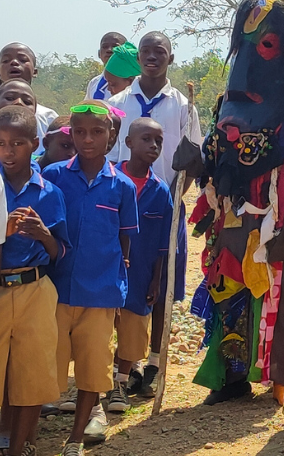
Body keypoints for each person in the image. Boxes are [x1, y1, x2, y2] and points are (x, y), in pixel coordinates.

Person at [190, 0, 284, 406]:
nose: (248, 66)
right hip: (232, 222)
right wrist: (196, 161)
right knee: (230, 294)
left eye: (266, 46)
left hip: (280, 222)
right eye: (245, 47)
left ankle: (282, 376)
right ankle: (230, 378)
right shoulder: (225, 110)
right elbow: (213, 167)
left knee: (283, 301)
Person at [108, 31, 201, 397]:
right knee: (122, 284)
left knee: (161, 287)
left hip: (162, 206)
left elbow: (193, 161)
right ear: (138, 58)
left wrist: (174, 201)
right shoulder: (116, 101)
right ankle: (120, 367)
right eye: (145, 51)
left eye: (159, 52)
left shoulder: (182, 107)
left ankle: (154, 363)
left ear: (170, 58)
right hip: (119, 206)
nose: (151, 57)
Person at [42, 100, 138, 455]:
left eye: (97, 132)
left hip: (101, 292)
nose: (87, 139)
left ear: (112, 137)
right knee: (46, 365)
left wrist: (119, 274)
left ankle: (75, 439)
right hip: (56, 290)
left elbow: (125, 235)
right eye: (79, 132)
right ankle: (29, 436)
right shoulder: (53, 177)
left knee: (92, 367)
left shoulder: (122, 186)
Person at [0, 106, 69, 456]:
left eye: (17, 144)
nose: (8, 152)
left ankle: (19, 448)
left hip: (35, 289)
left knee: (33, 374)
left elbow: (60, 253)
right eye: (1, 144)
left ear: (35, 144)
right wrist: (3, 232)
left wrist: (44, 235)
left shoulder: (50, 194)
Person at [107, 118, 172, 413]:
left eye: (158, 141)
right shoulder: (108, 180)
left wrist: (156, 280)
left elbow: (162, 244)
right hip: (105, 269)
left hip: (142, 271)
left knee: (134, 327)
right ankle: (97, 384)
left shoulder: (161, 191)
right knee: (103, 326)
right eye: (146, 139)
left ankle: (120, 381)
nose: (153, 146)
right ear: (128, 142)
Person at [0, 43, 58, 155]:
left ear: (35, 71)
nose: (14, 62)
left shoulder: (48, 118)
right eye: (6, 61)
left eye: (22, 59)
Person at [85, 32, 126, 101]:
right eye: (105, 47)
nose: (109, 50)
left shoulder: (132, 82)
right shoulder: (94, 83)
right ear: (99, 53)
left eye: (115, 47)